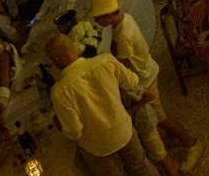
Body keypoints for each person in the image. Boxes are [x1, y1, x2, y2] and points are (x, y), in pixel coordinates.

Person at [92, 0, 202, 176]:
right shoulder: (124, 20)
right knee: (158, 116)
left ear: (108, 15)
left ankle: (192, 143)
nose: (96, 22)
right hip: (147, 71)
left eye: (98, 18)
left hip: (144, 79)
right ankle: (177, 139)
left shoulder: (123, 36)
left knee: (159, 118)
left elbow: (122, 66)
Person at [44, 33, 153, 176]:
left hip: (96, 146)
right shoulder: (105, 61)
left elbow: (75, 131)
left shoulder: (60, 92)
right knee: (141, 167)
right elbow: (132, 81)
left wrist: (61, 125)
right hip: (123, 130)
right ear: (75, 49)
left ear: (56, 61)